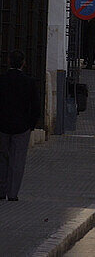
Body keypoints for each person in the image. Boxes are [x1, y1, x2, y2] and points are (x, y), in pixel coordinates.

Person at [0, 50, 41, 201]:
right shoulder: (29, 82)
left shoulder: (2, 80)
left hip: (2, 126)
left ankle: (1, 190)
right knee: (17, 161)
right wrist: (30, 125)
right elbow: (36, 107)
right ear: (23, 63)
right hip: (21, 127)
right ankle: (12, 193)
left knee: (2, 158)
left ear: (9, 61)